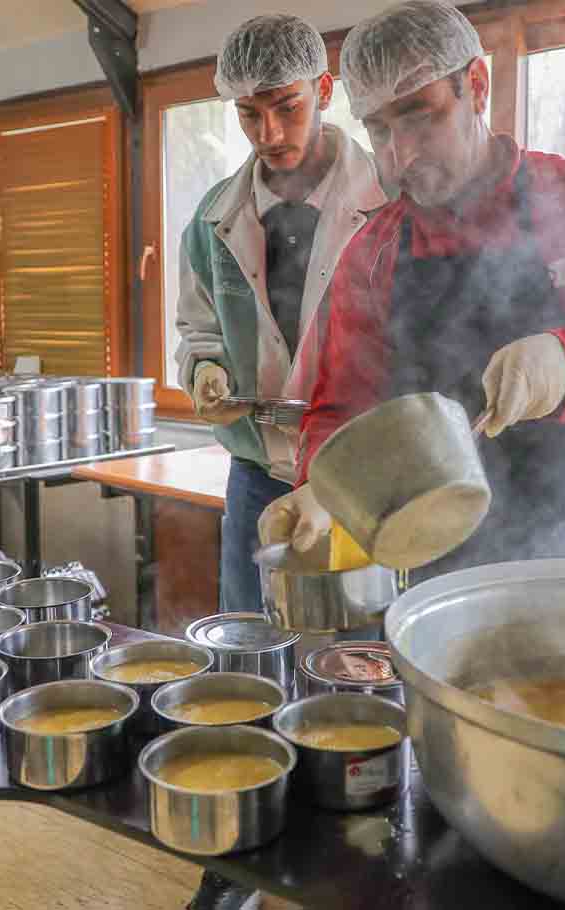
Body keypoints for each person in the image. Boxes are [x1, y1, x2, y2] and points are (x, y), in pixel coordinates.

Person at [259, 1, 565, 579]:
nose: (400, 154)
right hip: (435, 571)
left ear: (476, 86)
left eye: (420, 115)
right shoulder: (372, 253)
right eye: (378, 128)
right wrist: (321, 486)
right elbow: (344, 405)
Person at [175, 14, 385, 613]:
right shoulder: (215, 217)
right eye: (248, 113)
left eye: (286, 107)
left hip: (363, 477)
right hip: (257, 476)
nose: (268, 132)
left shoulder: (390, 201)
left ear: (323, 91)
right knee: (253, 645)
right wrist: (205, 369)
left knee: (364, 658)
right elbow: (198, 326)